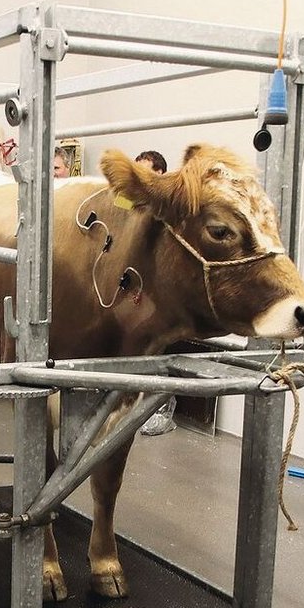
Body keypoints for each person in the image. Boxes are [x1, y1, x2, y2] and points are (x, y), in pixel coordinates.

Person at [134, 150, 178, 438]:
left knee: (157, 352)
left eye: (146, 175)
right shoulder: (133, 209)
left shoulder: (171, 213)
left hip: (160, 296)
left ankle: (163, 408)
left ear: (161, 175)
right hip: (137, 290)